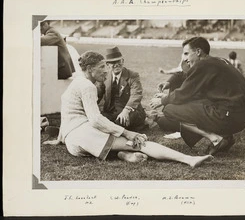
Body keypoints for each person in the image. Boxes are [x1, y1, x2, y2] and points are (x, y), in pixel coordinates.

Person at [44, 51, 213, 168]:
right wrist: (127, 132)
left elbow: (67, 114)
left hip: (73, 143)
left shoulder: (78, 82)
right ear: (90, 69)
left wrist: (61, 138)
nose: (106, 69)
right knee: (140, 143)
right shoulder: (88, 86)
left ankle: (122, 155)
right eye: (102, 66)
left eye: (106, 66)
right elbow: (95, 119)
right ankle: (189, 159)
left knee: (116, 144)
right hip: (84, 135)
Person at [150, 37, 245, 155]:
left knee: (170, 109)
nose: (184, 58)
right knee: (195, 103)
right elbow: (186, 76)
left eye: (186, 53)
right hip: (241, 115)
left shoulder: (203, 64)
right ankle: (225, 135)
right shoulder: (218, 61)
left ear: (198, 52)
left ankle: (216, 139)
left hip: (230, 116)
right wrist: (170, 82)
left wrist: (162, 100)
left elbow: (183, 94)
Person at [97, 46, 146, 130]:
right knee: (97, 120)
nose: (116, 64)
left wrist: (126, 110)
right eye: (113, 62)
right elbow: (97, 94)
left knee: (120, 122)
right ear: (108, 64)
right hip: (110, 111)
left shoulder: (132, 75)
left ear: (122, 61)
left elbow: (136, 94)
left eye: (118, 61)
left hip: (130, 111)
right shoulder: (105, 77)